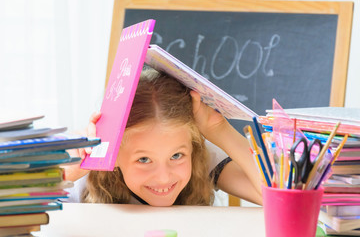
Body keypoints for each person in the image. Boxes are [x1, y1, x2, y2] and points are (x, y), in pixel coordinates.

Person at [64, 68, 262, 206]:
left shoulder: (202, 158)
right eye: (143, 159)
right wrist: (63, 173)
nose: (163, 177)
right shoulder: (88, 169)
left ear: (192, 146)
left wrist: (219, 129)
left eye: (177, 156)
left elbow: (283, 199)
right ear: (113, 155)